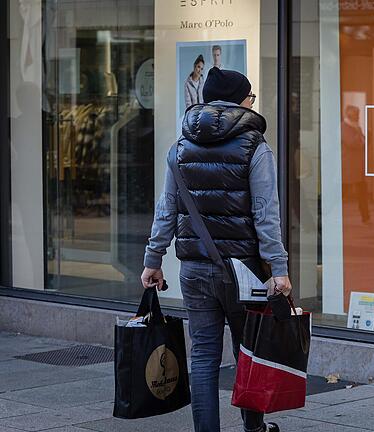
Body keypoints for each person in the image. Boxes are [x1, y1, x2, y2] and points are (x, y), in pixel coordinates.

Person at [142, 67, 289, 432]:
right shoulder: (255, 146)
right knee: (248, 353)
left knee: (204, 356)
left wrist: (153, 259)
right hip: (243, 273)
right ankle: (253, 428)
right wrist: (279, 267)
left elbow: (166, 208)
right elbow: (265, 213)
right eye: (250, 97)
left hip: (194, 269)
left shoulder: (179, 147)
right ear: (241, 100)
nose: (252, 102)